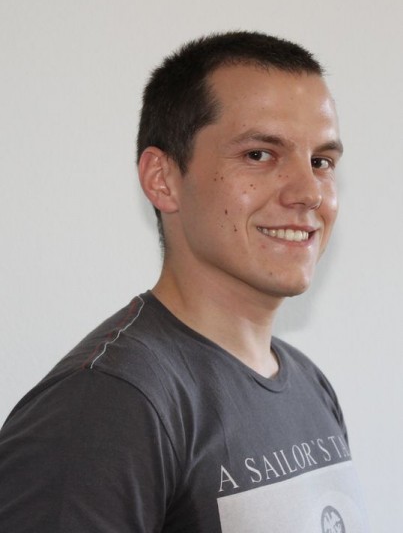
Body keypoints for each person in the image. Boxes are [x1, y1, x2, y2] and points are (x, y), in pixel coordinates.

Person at [0, 32, 369, 532]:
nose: (309, 192)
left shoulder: (309, 384)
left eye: (321, 162)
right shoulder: (108, 404)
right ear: (163, 179)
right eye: (260, 154)